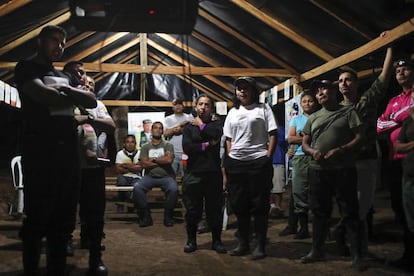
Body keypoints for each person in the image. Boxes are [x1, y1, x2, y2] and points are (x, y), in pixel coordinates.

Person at [14, 25, 97, 275]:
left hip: (68, 155)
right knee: (38, 218)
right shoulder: (26, 68)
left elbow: (91, 100)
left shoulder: (65, 76)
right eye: (54, 40)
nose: (59, 46)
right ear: (40, 41)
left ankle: (57, 270)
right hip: (41, 151)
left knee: (64, 220)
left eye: (62, 42)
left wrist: (68, 90)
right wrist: (74, 96)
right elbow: (43, 96)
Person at [333, 46, 393, 257]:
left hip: (366, 160)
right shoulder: (335, 109)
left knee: (364, 205)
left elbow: (383, 78)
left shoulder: (366, 102)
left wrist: (389, 49)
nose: (344, 84)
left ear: (356, 83)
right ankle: (352, 244)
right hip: (344, 163)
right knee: (347, 205)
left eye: (348, 79)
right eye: (340, 81)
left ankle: (343, 234)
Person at [300, 79, 365, 270]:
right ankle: (317, 250)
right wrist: (312, 152)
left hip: (343, 170)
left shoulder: (348, 112)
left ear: (334, 91)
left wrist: (341, 149)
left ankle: (357, 255)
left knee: (349, 212)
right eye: (318, 91)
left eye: (324, 88)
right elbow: (305, 143)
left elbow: (360, 137)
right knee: (319, 212)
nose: (320, 93)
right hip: (318, 171)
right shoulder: (313, 117)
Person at [223, 76, 277, 260]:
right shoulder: (232, 112)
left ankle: (260, 244)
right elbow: (228, 138)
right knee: (239, 204)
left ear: (254, 91)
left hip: (258, 162)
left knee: (260, 205)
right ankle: (243, 243)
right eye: (239, 88)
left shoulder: (263, 109)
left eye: (246, 88)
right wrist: (231, 156)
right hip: (236, 164)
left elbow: (273, 133)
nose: (242, 91)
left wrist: (267, 156)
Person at [69, 69, 115, 275]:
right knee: (68, 211)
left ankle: (95, 257)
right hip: (69, 167)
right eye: (84, 82)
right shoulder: (65, 102)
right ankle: (67, 243)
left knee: (95, 214)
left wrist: (87, 118)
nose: (88, 86)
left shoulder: (97, 105)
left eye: (92, 85)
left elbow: (111, 126)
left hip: (93, 168)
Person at [377, 58, 414, 268]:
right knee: (399, 208)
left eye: (405, 69)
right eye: (397, 70)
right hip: (395, 159)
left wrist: (395, 118)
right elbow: (379, 125)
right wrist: (400, 117)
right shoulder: (395, 99)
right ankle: (408, 253)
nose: (400, 73)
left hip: (411, 159)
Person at [181, 94, 226, 254]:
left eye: (207, 105)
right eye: (200, 104)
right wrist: (206, 145)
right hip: (194, 173)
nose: (203, 107)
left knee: (214, 210)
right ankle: (191, 241)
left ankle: (217, 241)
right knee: (193, 210)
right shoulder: (188, 128)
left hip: (213, 174)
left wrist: (201, 126)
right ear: (195, 106)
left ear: (211, 108)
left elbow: (215, 136)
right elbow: (187, 147)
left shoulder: (216, 125)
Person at [279, 90, 320, 239]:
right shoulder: (296, 119)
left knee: (316, 192)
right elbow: (290, 139)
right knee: (298, 192)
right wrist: (307, 139)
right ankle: (301, 227)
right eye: (304, 101)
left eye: (310, 101)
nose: (307, 104)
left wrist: (302, 137)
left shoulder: (319, 117)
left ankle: (317, 227)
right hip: (300, 158)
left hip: (316, 158)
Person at [133, 122, 178, 227]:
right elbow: (143, 164)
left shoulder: (168, 145)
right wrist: (161, 160)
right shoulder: (145, 147)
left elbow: (169, 160)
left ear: (162, 131)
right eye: (155, 128)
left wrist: (152, 159)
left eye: (160, 128)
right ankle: (145, 215)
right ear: (152, 130)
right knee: (137, 187)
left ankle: (168, 216)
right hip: (150, 177)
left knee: (173, 189)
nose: (158, 130)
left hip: (166, 176)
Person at [395, 106, 414, 272]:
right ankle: (408, 258)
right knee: (409, 221)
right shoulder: (409, 121)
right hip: (409, 176)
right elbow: (398, 147)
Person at [164, 98, 194, 177]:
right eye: (175, 104)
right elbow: (166, 133)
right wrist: (179, 126)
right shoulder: (168, 119)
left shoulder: (189, 117)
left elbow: (194, 132)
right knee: (171, 177)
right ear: (172, 107)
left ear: (183, 106)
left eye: (180, 104)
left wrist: (181, 130)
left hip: (187, 152)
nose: (178, 106)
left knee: (187, 177)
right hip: (172, 153)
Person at [269, 105, 288, 220]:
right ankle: (271, 207)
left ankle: (278, 207)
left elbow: (286, 145)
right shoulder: (263, 130)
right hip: (265, 162)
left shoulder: (281, 130)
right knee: (268, 187)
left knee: (278, 187)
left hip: (277, 161)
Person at [115, 135, 142, 203]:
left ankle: (129, 202)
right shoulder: (120, 154)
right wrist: (134, 167)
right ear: (124, 144)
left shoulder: (140, 153)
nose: (130, 144)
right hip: (123, 176)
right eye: (128, 142)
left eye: (132, 142)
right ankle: (125, 201)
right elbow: (118, 169)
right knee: (122, 182)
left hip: (136, 177)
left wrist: (125, 166)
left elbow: (140, 169)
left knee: (136, 185)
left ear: (135, 143)